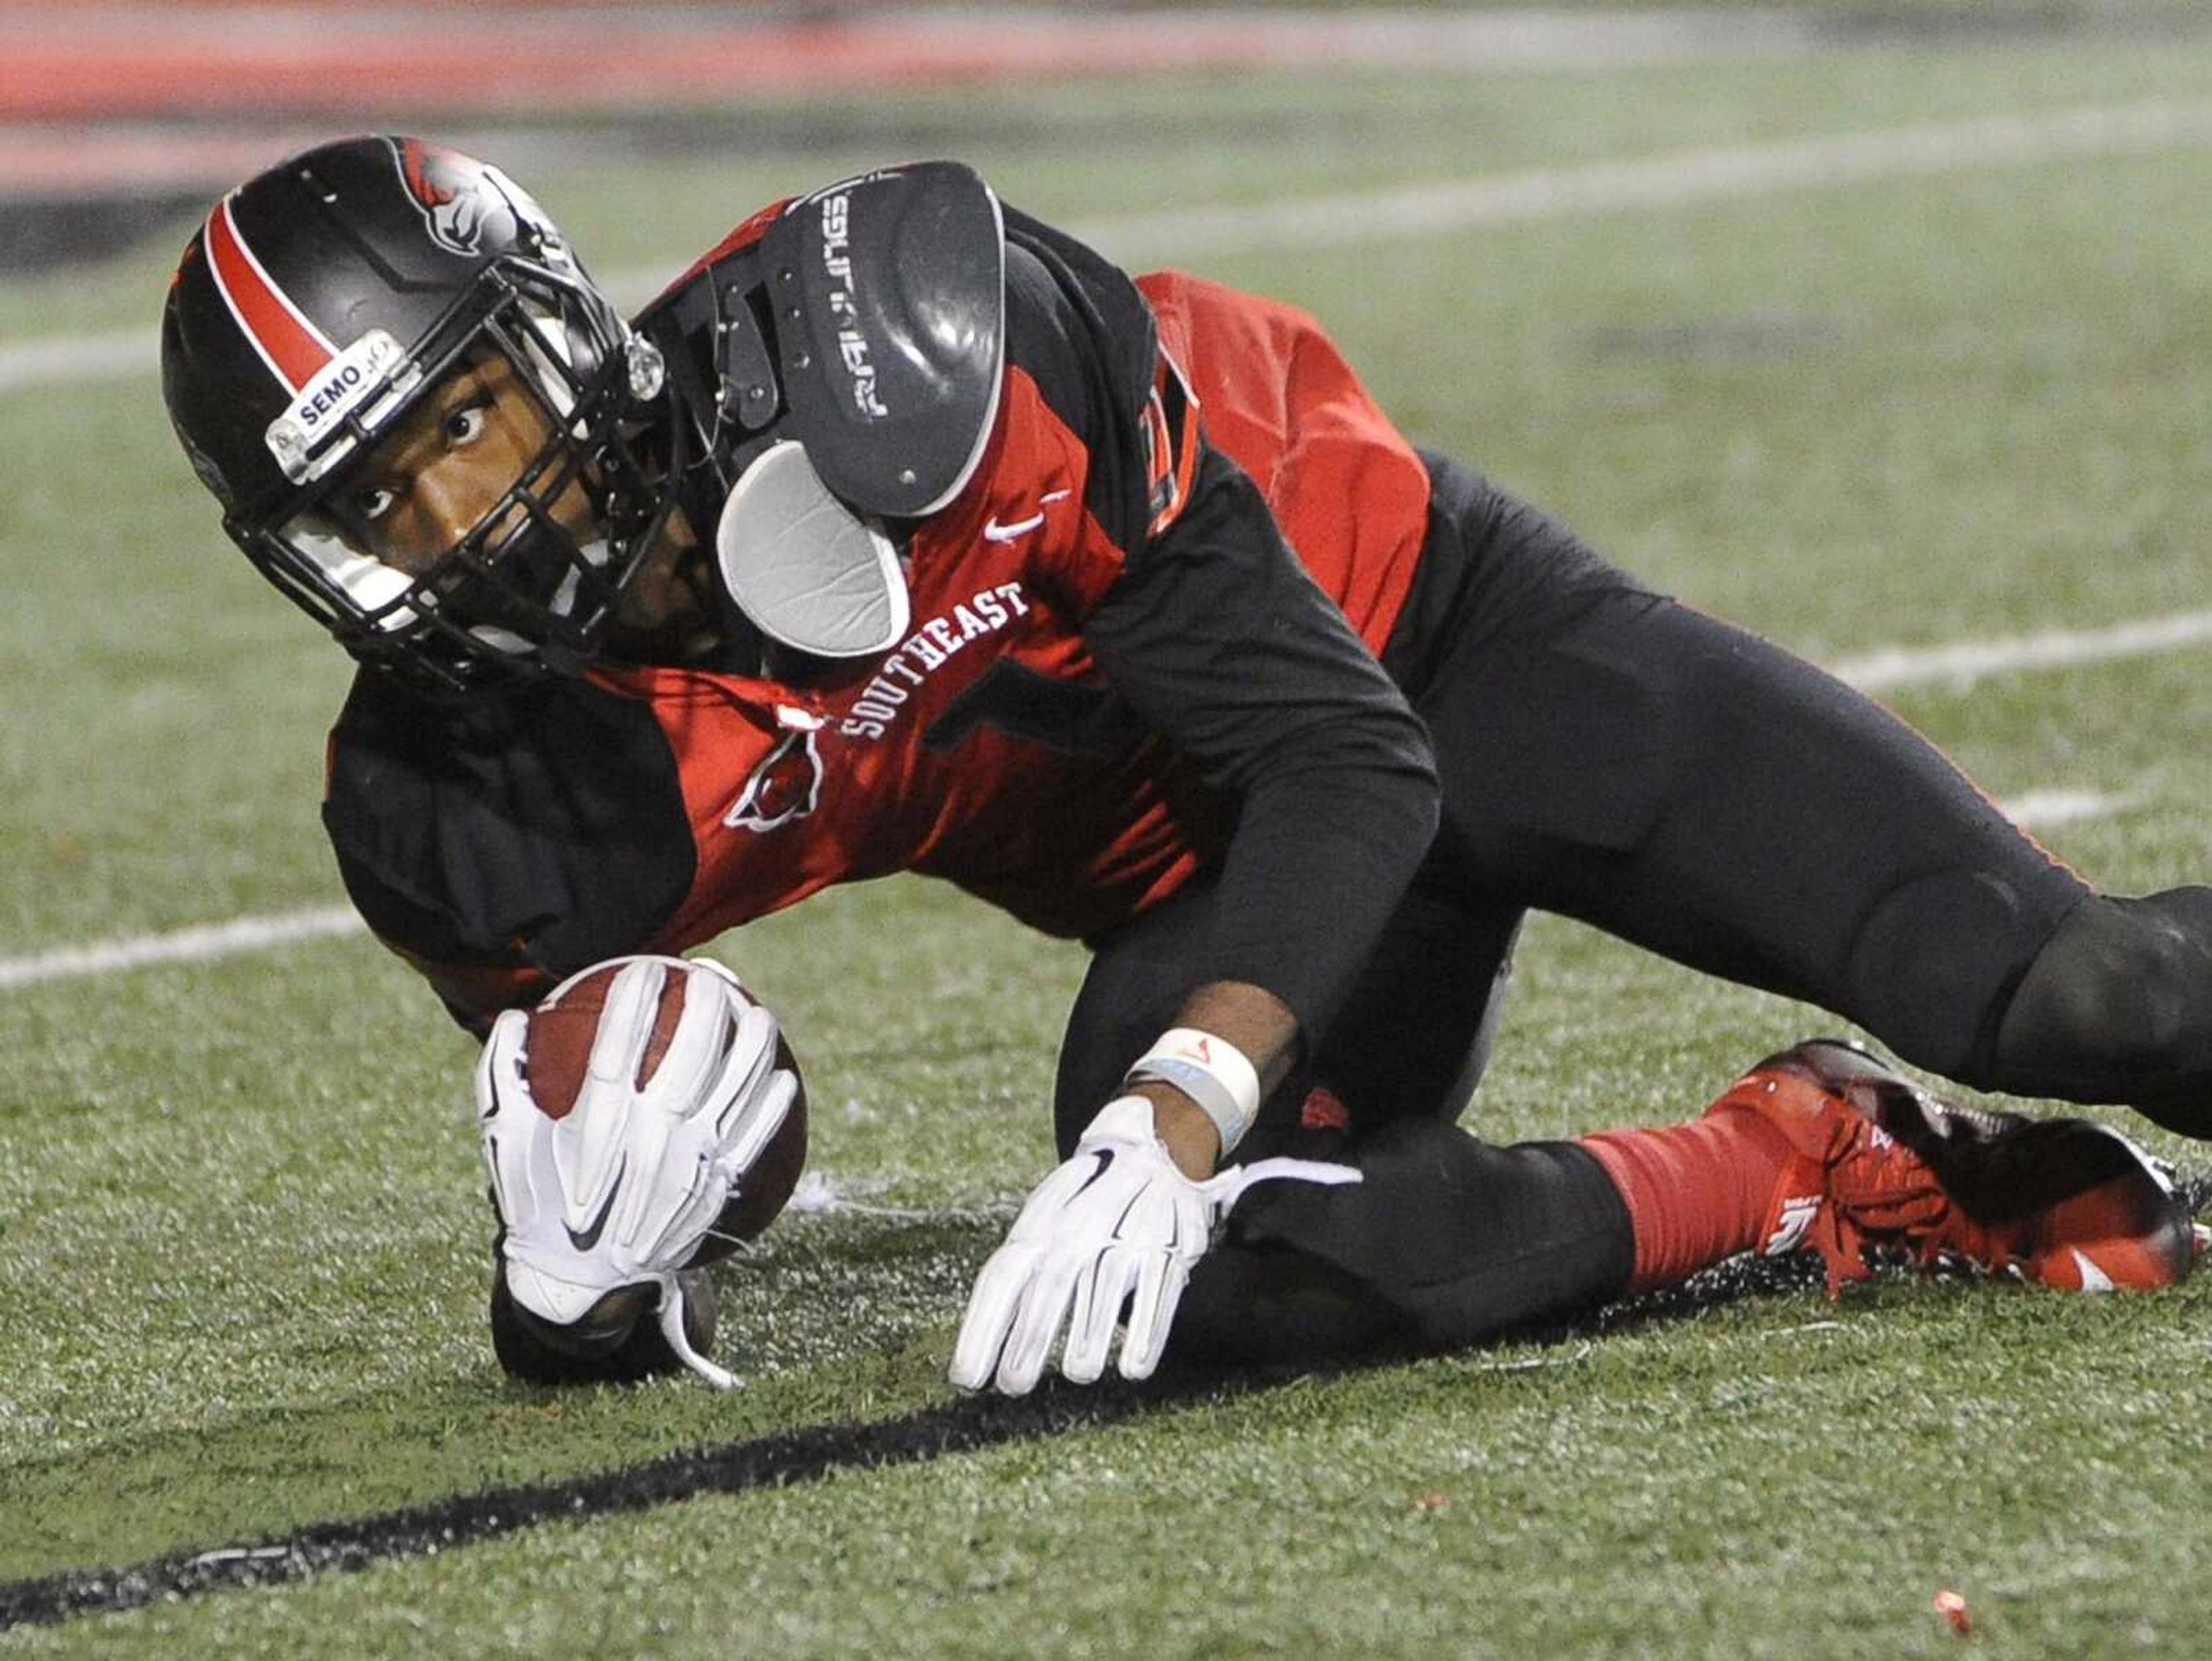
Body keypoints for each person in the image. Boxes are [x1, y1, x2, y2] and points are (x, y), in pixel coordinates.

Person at [157, 138, 2210, 1393]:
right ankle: (1807, 1165)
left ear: (560, 330)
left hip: (1433, 647)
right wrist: (586, 1265)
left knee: (2086, 991)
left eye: (468, 426)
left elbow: (1345, 749)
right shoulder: (462, 796)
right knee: (1167, 1298)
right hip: (1204, 881)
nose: (462, 523)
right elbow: (644, 1148)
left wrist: (1181, 1094)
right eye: (380, 506)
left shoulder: (893, 344)